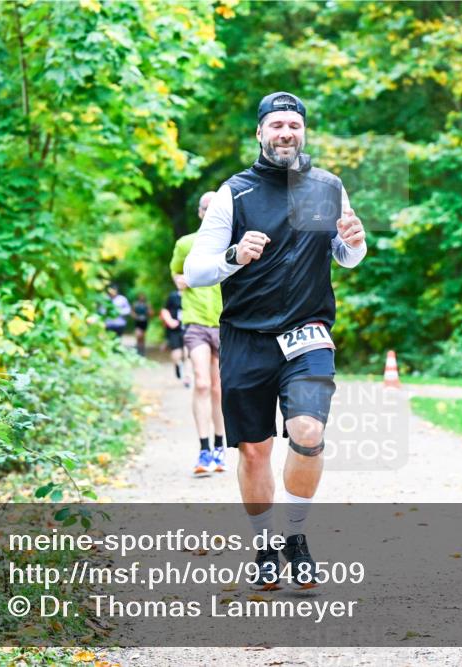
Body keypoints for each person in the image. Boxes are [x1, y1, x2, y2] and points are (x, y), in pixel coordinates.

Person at [185, 92, 366, 590]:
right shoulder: (234, 194)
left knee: (307, 433)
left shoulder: (327, 187)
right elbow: (195, 270)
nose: (286, 132)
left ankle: (297, 536)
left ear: (303, 132)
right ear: (260, 133)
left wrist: (353, 240)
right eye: (276, 124)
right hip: (246, 338)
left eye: (294, 124)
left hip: (308, 333)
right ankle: (264, 544)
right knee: (255, 450)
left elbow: (348, 255)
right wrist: (235, 256)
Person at [171, 192, 227, 476]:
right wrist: (180, 281)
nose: (211, 211)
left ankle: (220, 446)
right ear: (200, 212)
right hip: (195, 322)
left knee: (219, 388)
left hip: (224, 323)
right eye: (207, 207)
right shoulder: (186, 244)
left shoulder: (231, 242)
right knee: (203, 384)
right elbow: (175, 272)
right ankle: (204, 449)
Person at [160, 286, 188, 387]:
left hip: (188, 328)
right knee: (177, 353)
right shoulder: (173, 296)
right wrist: (170, 321)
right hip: (174, 329)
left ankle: (186, 377)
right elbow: (164, 310)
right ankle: (178, 365)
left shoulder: (193, 294)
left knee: (187, 352)